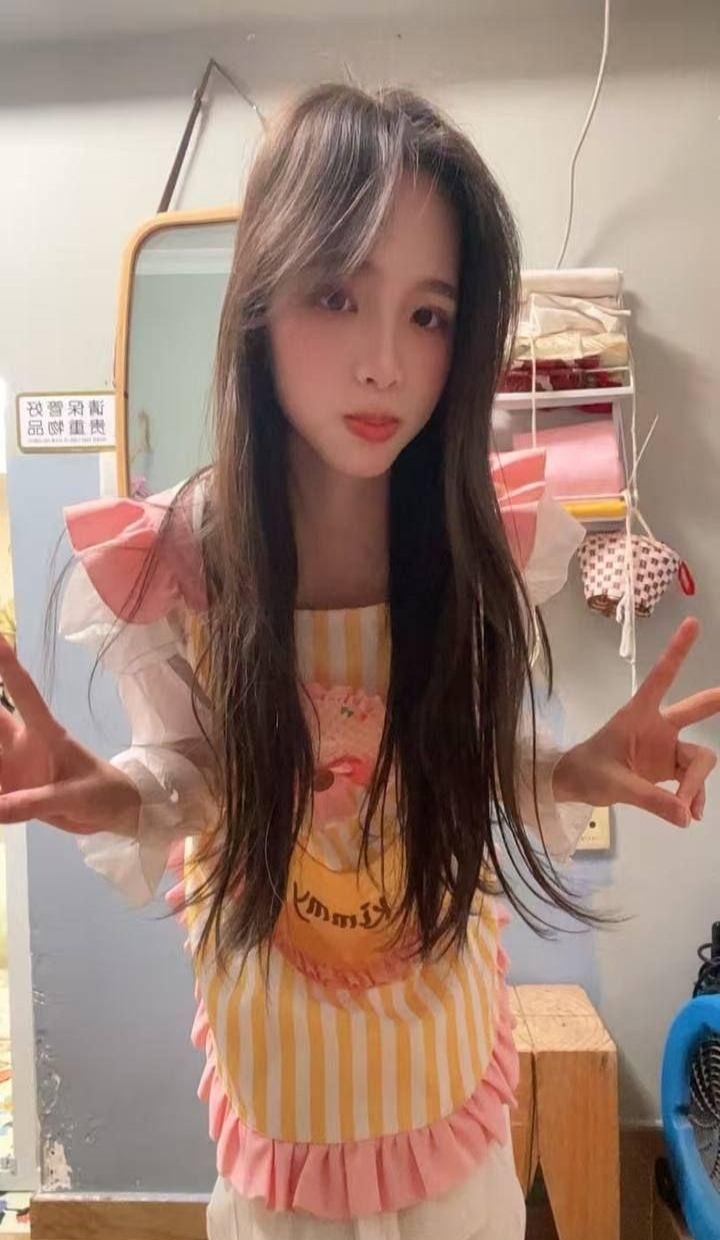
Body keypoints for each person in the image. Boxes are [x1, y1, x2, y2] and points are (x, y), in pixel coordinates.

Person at [0, 84, 717, 1240]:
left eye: (429, 313)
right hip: (281, 1107)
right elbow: (194, 778)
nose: (386, 361)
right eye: (338, 293)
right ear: (261, 298)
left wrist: (580, 767)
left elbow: (458, 763)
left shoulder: (480, 534)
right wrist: (99, 788)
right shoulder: (180, 555)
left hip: (447, 1101)